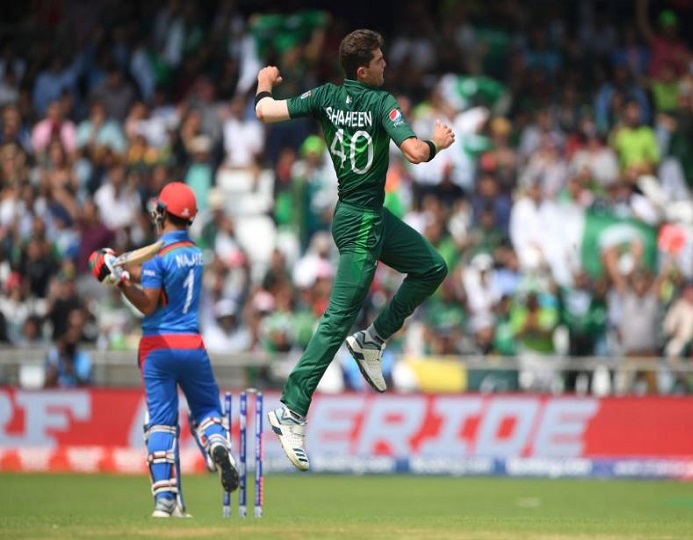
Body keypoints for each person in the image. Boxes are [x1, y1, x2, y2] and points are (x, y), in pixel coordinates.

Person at [254, 28, 455, 471]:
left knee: (432, 267)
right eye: (379, 61)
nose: (386, 65)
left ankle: (373, 340)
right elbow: (415, 153)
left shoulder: (325, 96)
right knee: (337, 318)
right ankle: (290, 409)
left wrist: (265, 82)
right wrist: (438, 143)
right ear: (362, 71)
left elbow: (265, 111)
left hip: (362, 215)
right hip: (362, 224)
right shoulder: (381, 103)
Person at [88, 182, 239, 517]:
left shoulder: (159, 258)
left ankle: (166, 500)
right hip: (192, 345)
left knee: (160, 422)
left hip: (158, 348)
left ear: (162, 213)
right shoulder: (196, 254)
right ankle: (217, 444)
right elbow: (156, 274)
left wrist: (120, 280)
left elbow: (149, 302)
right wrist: (120, 266)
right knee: (207, 410)